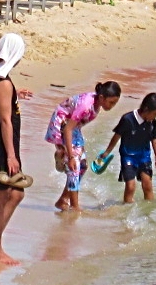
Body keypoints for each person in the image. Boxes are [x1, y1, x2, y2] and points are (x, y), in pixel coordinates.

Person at [0, 33, 33, 265]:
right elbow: (4, 120)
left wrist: (13, 96)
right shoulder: (2, 82)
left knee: (16, 192)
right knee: (2, 193)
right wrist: (11, 154)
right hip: (3, 147)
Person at [44, 80, 121, 211]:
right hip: (62, 124)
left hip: (73, 128)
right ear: (102, 97)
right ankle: (75, 206)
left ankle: (63, 199)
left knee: (83, 166)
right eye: (111, 102)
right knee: (74, 167)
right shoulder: (86, 106)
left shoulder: (97, 103)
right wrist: (71, 155)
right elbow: (67, 129)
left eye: (115, 103)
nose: (112, 106)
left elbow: (74, 126)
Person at [98, 92, 156, 203]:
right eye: (155, 113)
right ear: (146, 109)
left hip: (144, 156)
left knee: (147, 185)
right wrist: (107, 152)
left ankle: (149, 210)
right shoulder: (127, 119)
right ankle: (127, 209)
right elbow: (116, 136)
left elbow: (154, 138)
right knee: (130, 186)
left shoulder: (152, 122)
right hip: (128, 156)